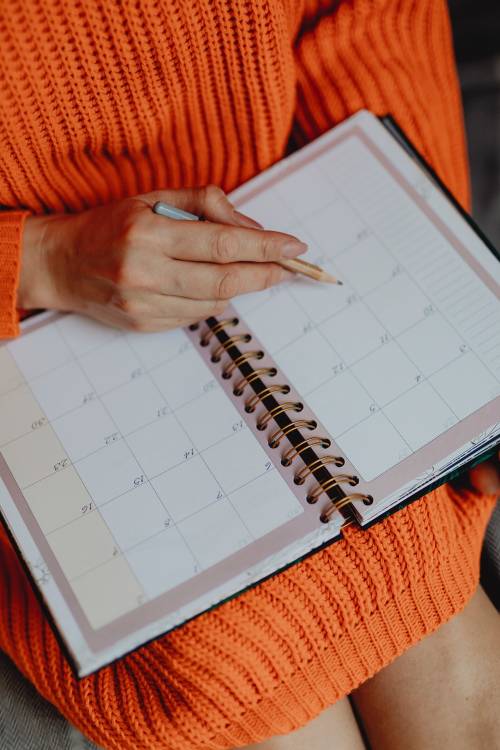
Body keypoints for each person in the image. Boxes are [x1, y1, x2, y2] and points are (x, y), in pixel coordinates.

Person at [0, 1, 498, 748]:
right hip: (38, 332)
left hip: (273, 235)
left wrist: (445, 302)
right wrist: (39, 260)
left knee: (414, 562)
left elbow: (368, 24)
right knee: (235, 665)